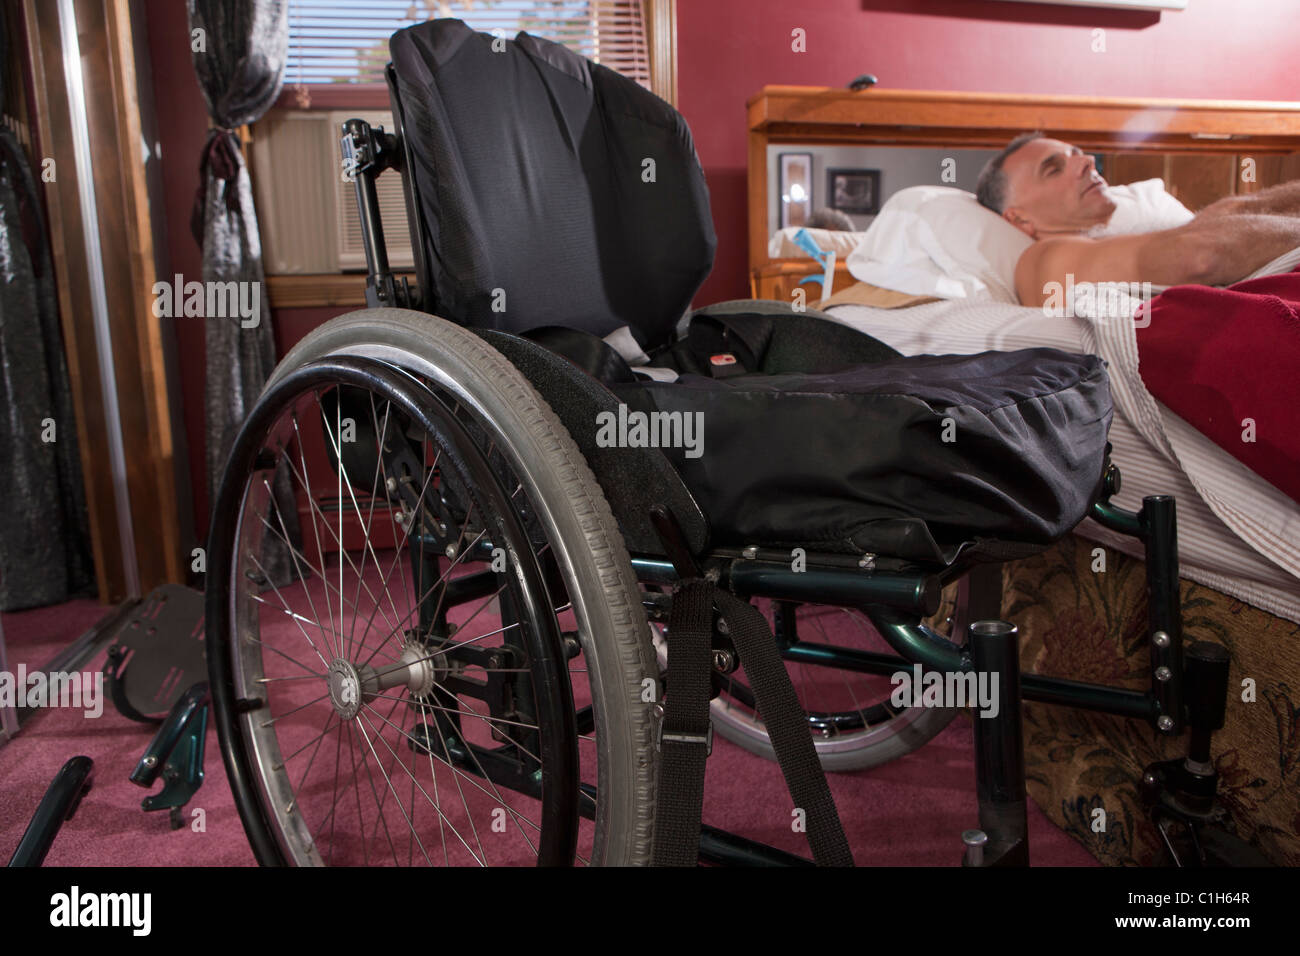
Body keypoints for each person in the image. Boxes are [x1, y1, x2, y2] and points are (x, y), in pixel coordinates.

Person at [975, 131, 1300, 306]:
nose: (1087, 161)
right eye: (1054, 168)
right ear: (1019, 219)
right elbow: (1201, 255)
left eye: (1077, 153)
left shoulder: (1097, 247)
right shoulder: (1043, 259)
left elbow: (1225, 220)